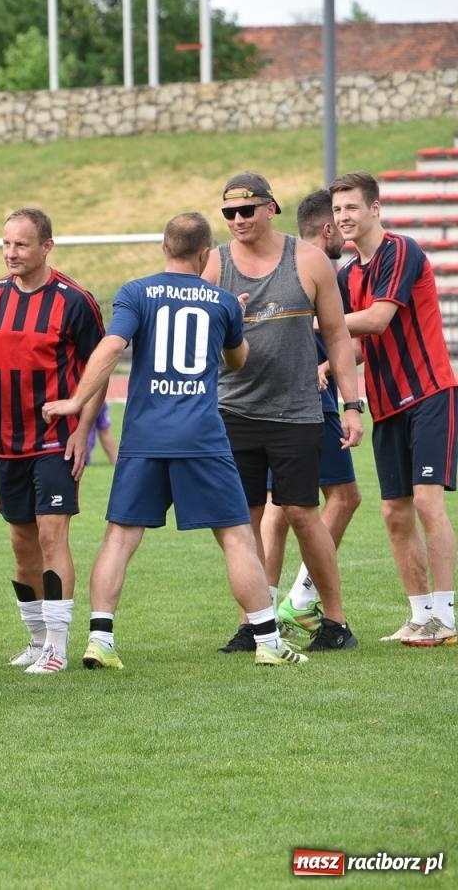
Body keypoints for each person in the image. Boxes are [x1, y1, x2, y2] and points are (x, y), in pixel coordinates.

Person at [42, 213, 307, 670]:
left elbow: (110, 347)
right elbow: (238, 361)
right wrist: (235, 323)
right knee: (236, 537)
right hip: (201, 435)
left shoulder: (136, 292)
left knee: (120, 537)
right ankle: (267, 640)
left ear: (164, 248)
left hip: (146, 436)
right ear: (206, 254)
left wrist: (75, 400)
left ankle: (100, 641)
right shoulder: (221, 302)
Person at [201, 173, 362, 654]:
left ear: (270, 208)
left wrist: (352, 405)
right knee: (242, 519)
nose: (237, 221)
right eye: (229, 213)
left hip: (296, 411)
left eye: (247, 210)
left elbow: (337, 336)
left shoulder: (309, 260)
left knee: (302, 513)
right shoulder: (214, 264)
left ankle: (335, 620)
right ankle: (255, 622)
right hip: (232, 411)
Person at [0, 208, 106, 674]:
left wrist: (84, 431)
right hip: (8, 444)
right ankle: (34, 639)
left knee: (53, 536)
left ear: (46, 246)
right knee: (21, 543)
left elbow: (99, 369)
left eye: (21, 245)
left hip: (55, 439)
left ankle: (57, 646)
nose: (11, 253)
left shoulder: (74, 300)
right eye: (6, 244)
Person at [332, 170, 458, 646]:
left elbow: (378, 320)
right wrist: (329, 363)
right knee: (394, 512)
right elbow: (358, 342)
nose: (344, 217)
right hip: (385, 404)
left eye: (352, 208)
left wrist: (320, 323)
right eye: (338, 209)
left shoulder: (401, 250)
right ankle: (420, 614)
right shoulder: (348, 276)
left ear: (374, 209)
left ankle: (445, 618)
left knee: (427, 501)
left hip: (429, 393)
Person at [256, 191, 363, 644]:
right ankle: (299, 603)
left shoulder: (279, 265)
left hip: (265, 404)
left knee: (277, 506)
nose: (345, 231)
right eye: (339, 222)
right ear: (326, 230)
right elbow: (340, 335)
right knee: (342, 497)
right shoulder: (320, 269)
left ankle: (262, 613)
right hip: (309, 407)